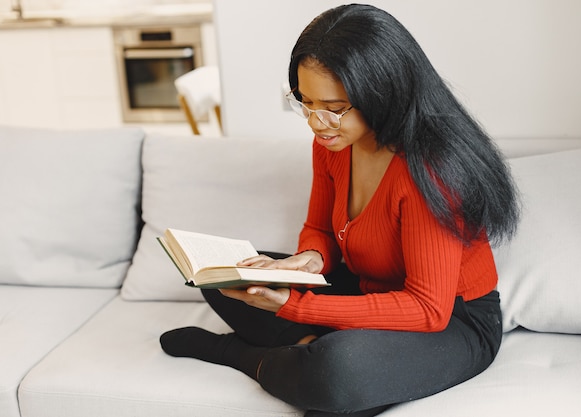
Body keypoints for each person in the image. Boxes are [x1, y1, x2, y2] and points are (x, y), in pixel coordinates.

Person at [160, 4, 520, 416]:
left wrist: (295, 306)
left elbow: (427, 309)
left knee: (338, 371)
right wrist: (309, 259)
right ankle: (306, 356)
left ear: (384, 92)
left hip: (452, 321)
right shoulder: (333, 145)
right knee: (224, 278)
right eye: (305, 102)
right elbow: (320, 228)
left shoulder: (429, 173)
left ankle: (245, 356)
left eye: (334, 107)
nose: (317, 122)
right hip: (366, 286)